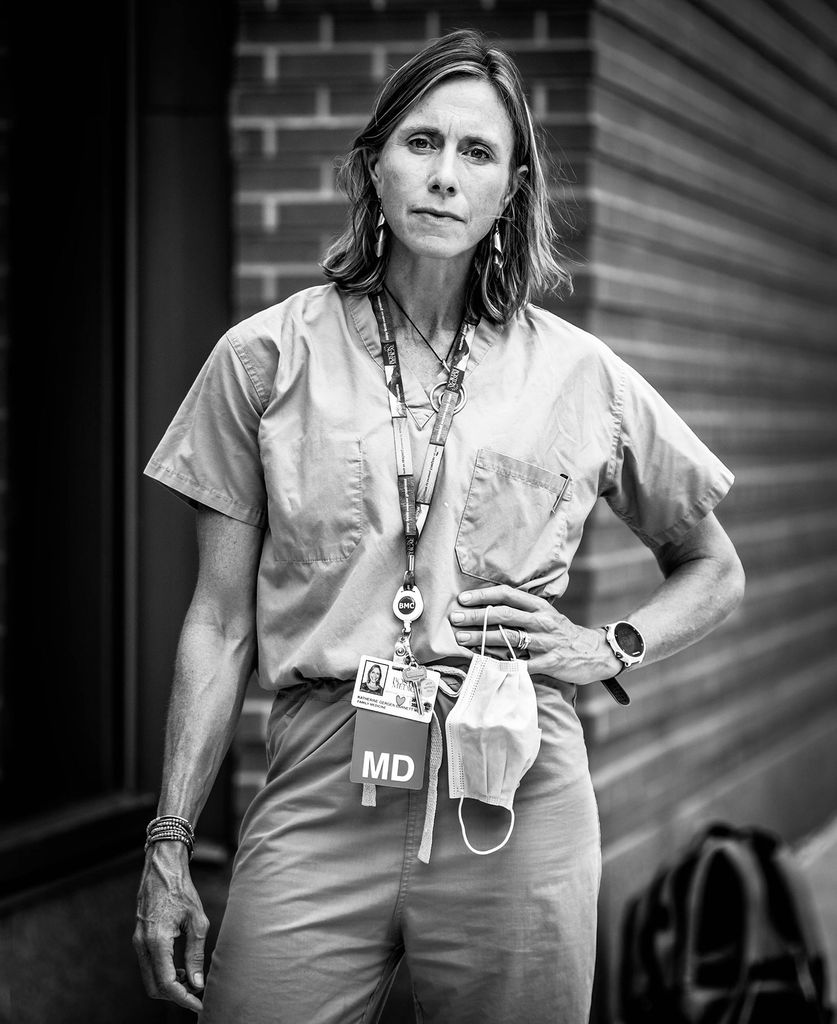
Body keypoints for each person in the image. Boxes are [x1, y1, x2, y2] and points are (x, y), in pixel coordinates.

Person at [133, 28, 745, 1024]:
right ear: (374, 163)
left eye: (477, 154)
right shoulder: (262, 359)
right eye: (421, 143)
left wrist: (608, 645)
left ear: (512, 189)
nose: (445, 175)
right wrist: (168, 839)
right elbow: (218, 620)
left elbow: (714, 566)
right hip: (325, 774)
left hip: (513, 778)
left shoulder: (580, 373)